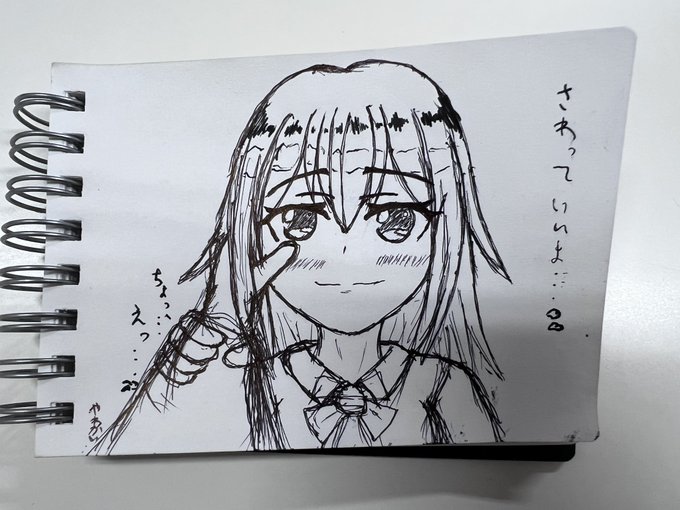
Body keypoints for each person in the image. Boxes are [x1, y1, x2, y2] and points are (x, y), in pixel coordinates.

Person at [93, 59, 510, 453]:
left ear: (445, 222)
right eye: (300, 218)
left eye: (396, 217)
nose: (347, 253)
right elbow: (136, 450)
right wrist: (217, 323)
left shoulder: (442, 383)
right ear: (250, 226)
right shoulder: (256, 380)